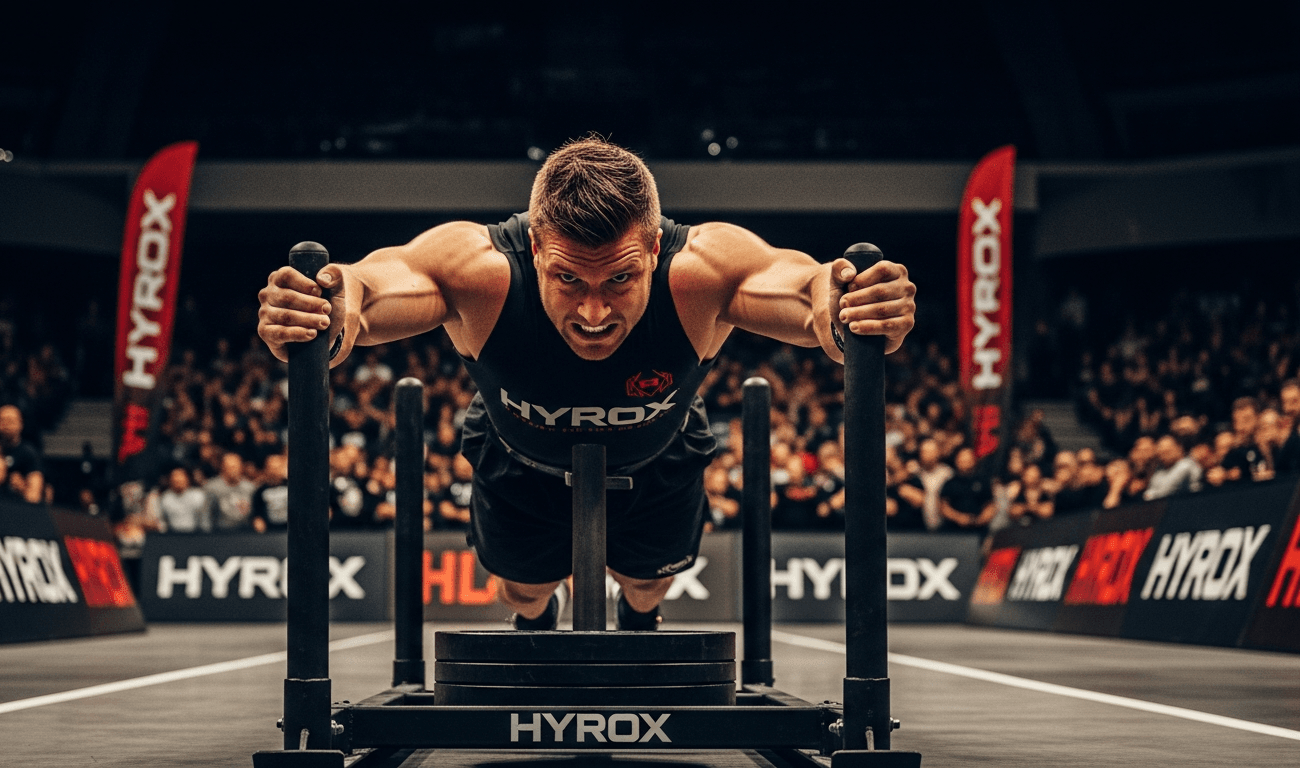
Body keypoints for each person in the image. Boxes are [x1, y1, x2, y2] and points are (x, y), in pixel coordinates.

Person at [257, 136, 915, 630]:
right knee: (523, 592)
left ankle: (639, 621)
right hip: (519, 463)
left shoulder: (701, 271)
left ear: (654, 249)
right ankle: (537, 626)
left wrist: (848, 300)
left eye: (620, 280)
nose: (594, 313)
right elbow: (378, 285)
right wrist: (330, 301)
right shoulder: (481, 271)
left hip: (657, 460)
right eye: (569, 279)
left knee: (648, 585)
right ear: (538, 248)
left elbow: (800, 287)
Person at [0, 404, 44, 504]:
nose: (6, 425)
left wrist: (22, 488)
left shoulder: (29, 453)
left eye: (11, 421)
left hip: (17, 506)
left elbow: (34, 495)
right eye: (2, 420)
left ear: (20, 424)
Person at [204, 452, 257, 531]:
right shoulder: (212, 488)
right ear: (223, 468)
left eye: (235, 467)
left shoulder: (250, 488)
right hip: (221, 533)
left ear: (241, 468)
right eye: (229, 467)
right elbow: (206, 514)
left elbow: (255, 513)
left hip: (245, 532)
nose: (233, 470)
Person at [158, 467, 211, 533]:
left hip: (196, 535)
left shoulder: (198, 496)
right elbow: (162, 521)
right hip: (172, 536)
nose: (177, 479)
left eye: (181, 477)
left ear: (187, 479)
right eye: (175, 477)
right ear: (170, 481)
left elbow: (205, 521)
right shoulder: (165, 498)